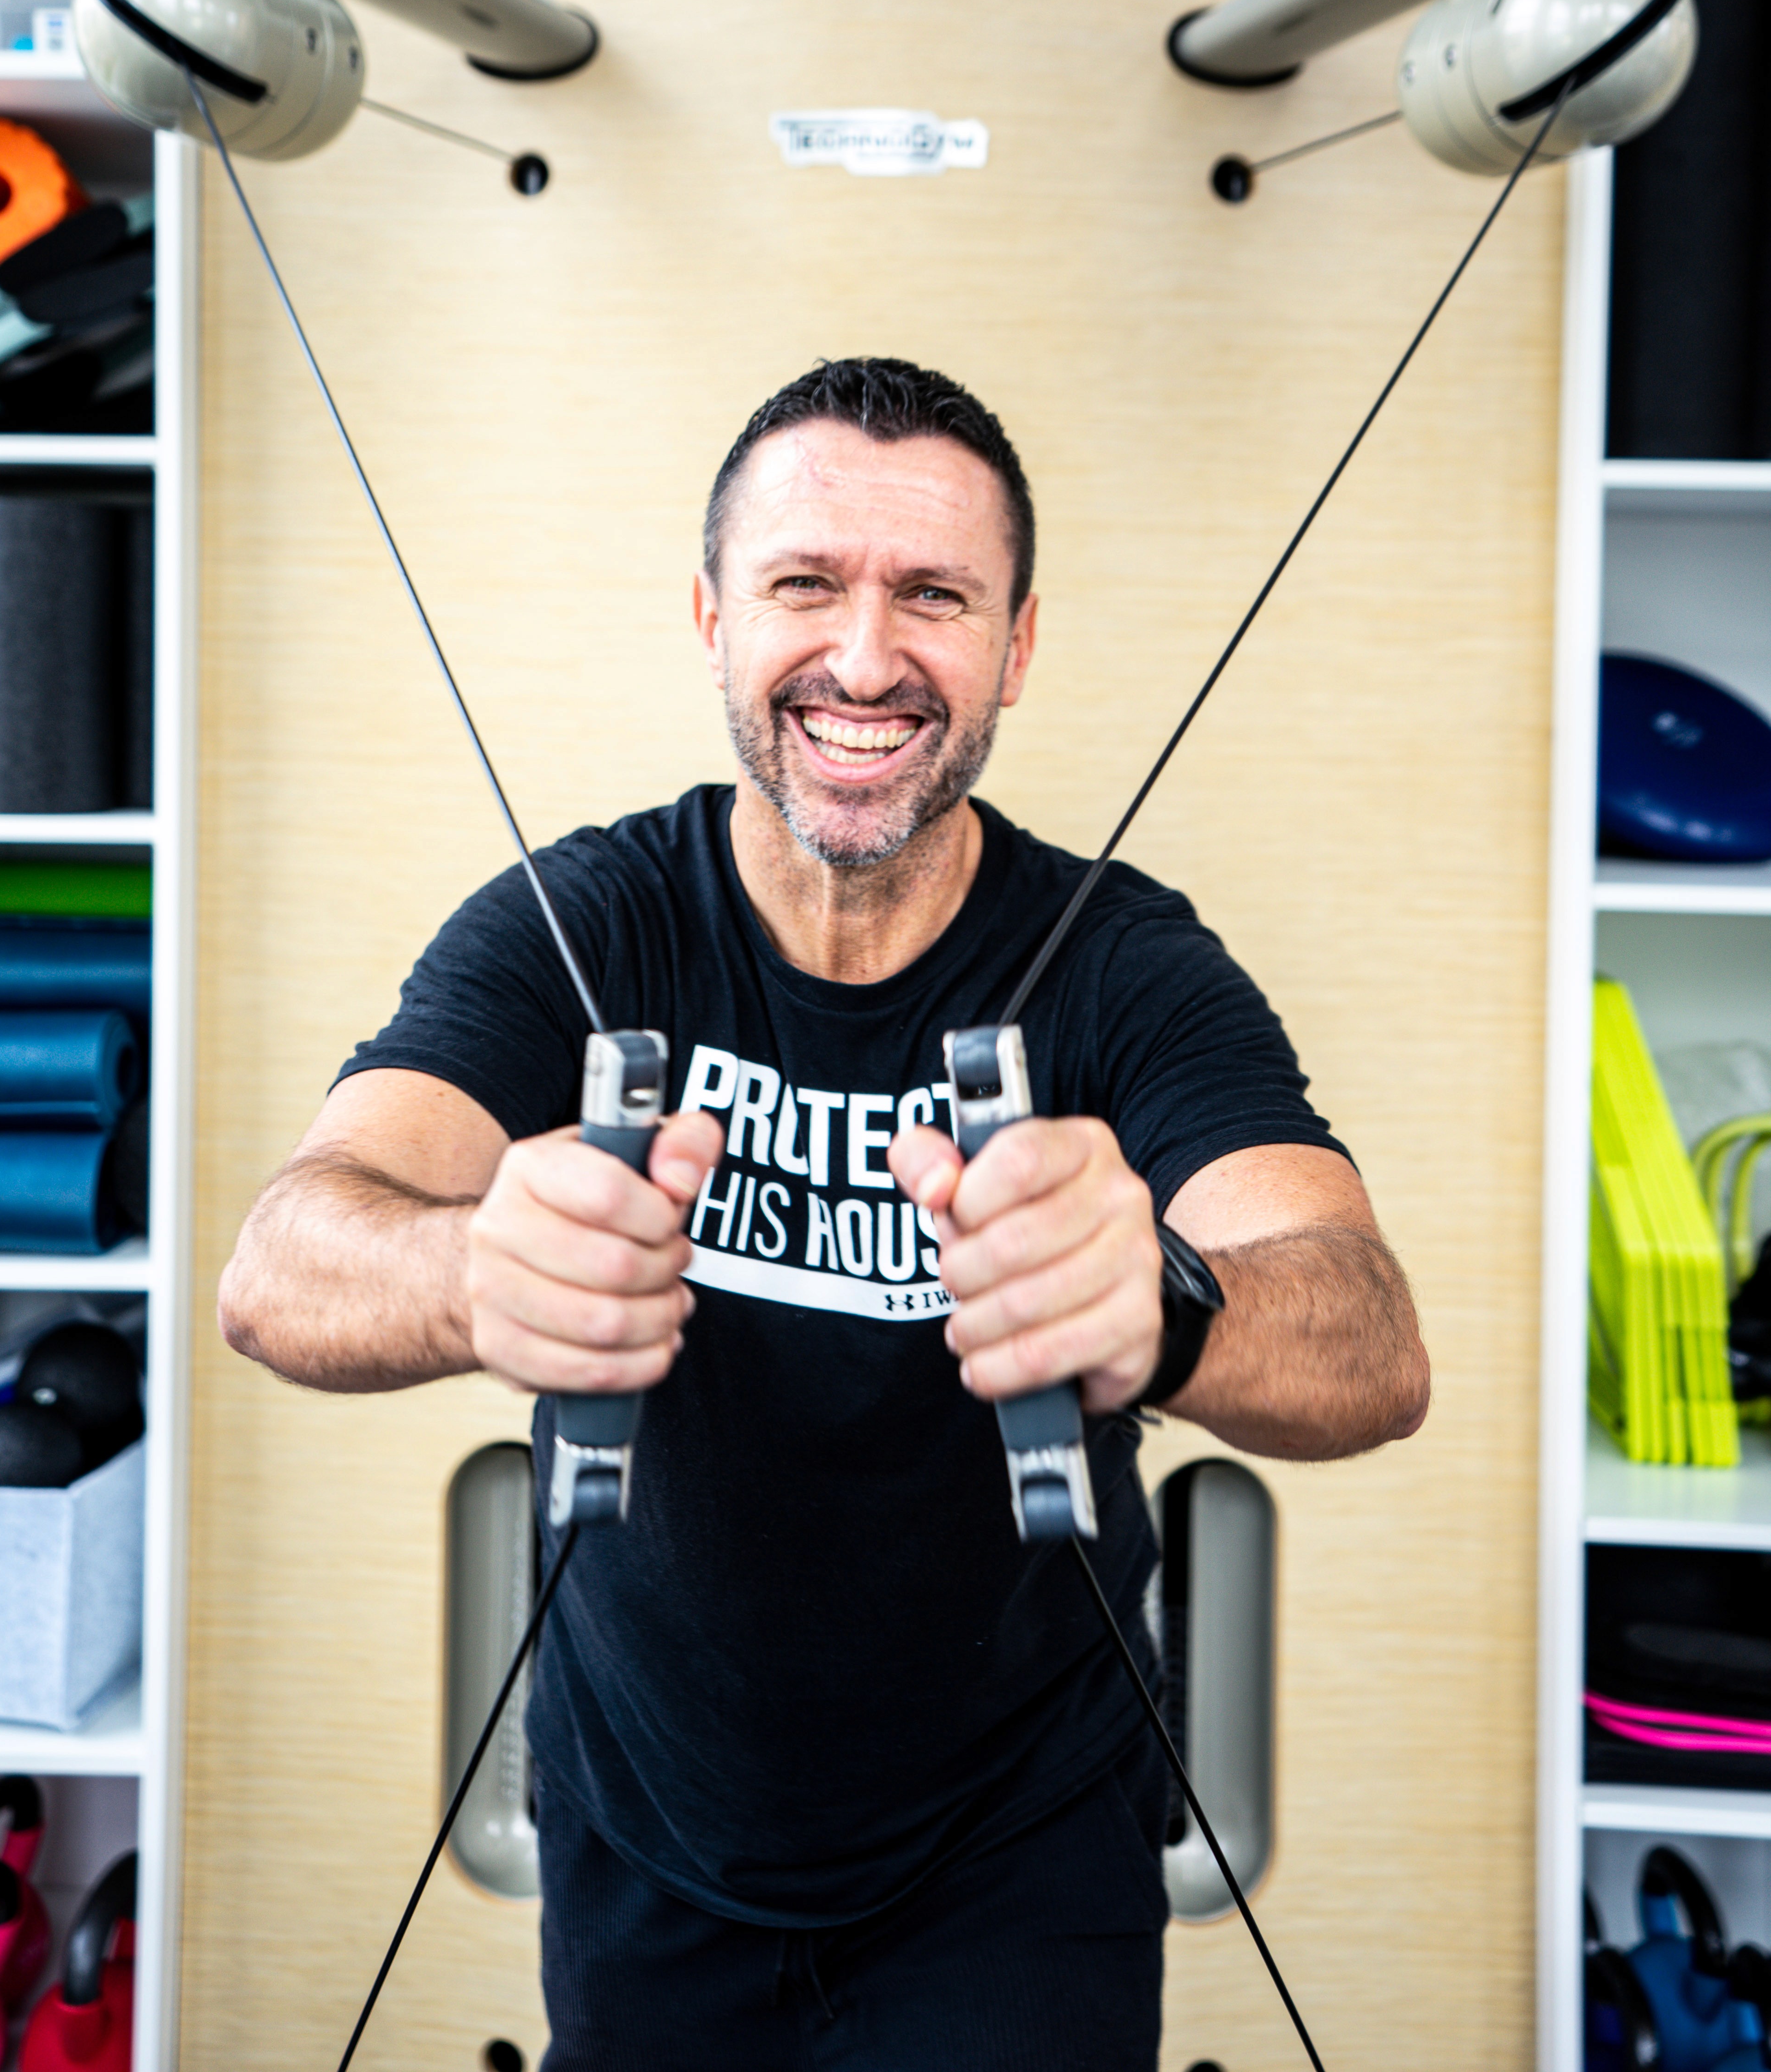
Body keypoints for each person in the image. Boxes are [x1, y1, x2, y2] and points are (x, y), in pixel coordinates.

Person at [219, 355, 1428, 2071]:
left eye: (933, 597)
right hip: (647, 1833)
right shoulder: (583, 919)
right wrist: (465, 1271)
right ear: (713, 617)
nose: (865, 660)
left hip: (1026, 1845)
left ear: (1015, 645)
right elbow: (281, 1265)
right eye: (806, 585)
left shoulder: (1133, 963)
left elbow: (1371, 1336)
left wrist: (1165, 1305)